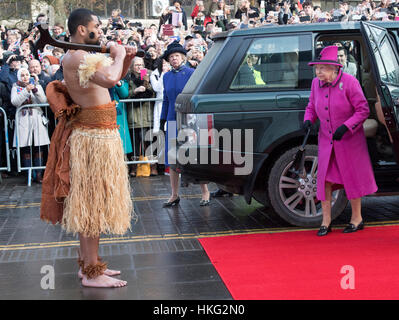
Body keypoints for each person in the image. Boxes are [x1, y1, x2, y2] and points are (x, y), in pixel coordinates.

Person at [40, 8, 137, 288]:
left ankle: (90, 265)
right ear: (81, 30)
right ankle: (92, 272)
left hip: (99, 135)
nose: (100, 30)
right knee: (91, 206)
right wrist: (118, 55)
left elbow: (113, 80)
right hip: (92, 138)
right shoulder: (78, 56)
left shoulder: (83, 55)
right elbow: (107, 79)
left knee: (92, 204)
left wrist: (126, 59)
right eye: (96, 25)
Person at [303, 46, 377, 236]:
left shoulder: (350, 82)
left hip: (349, 140)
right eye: (317, 68)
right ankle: (326, 221)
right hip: (327, 140)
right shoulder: (315, 84)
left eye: (322, 68)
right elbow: (311, 105)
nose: (318, 72)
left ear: (335, 68)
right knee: (325, 180)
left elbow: (363, 110)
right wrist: (308, 120)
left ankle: (357, 218)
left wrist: (346, 126)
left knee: (351, 179)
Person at [160, 40, 211, 207]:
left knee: (195, 157)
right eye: (171, 57)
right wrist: (162, 121)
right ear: (168, 60)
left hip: (189, 120)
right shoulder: (166, 76)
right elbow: (166, 100)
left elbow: (197, 96)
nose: (174, 59)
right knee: (173, 159)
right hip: (172, 120)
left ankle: (205, 192)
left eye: (176, 56)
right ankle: (174, 195)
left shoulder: (191, 73)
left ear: (182, 57)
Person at [11, 68, 49, 183]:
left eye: (27, 75)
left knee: (38, 146)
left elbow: (43, 100)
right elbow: (15, 102)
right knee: (26, 147)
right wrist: (26, 90)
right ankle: (29, 173)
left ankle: (39, 174)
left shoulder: (37, 85)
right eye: (22, 75)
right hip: (23, 120)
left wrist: (35, 90)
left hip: (36, 118)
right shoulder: (15, 87)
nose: (25, 77)